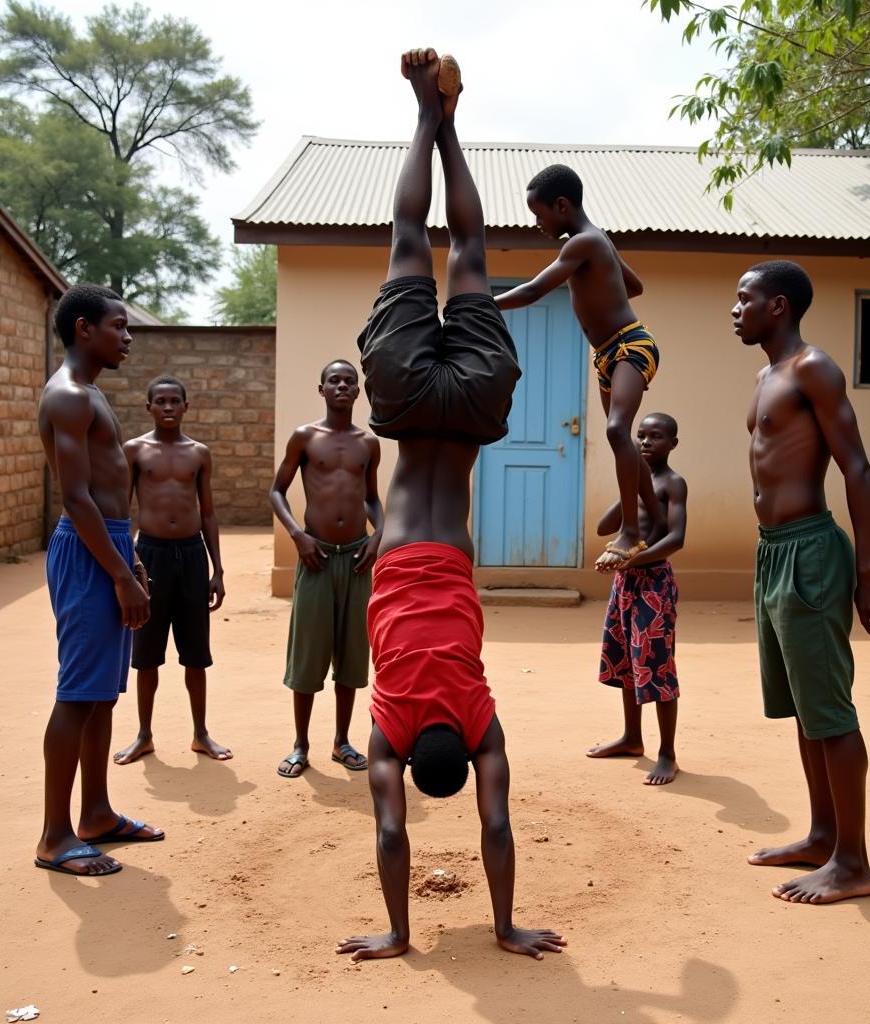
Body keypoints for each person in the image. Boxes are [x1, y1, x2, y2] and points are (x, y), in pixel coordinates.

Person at [335, 49, 564, 963]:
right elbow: (394, 834)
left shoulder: (477, 717)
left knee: (469, 252)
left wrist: (495, 926)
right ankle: (424, 114)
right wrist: (414, 929)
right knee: (408, 236)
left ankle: (448, 116)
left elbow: (492, 825)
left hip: (467, 417)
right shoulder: (388, 721)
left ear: (462, 757)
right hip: (402, 410)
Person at [733, 260, 870, 904]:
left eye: (744, 299)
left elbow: (856, 466)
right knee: (805, 706)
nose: (734, 309)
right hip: (773, 553)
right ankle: (823, 837)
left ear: (778, 306)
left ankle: (853, 864)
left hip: (811, 554)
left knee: (830, 710)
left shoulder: (812, 369)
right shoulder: (766, 376)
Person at [35, 283, 163, 877]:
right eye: (119, 326)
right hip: (87, 553)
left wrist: (128, 556)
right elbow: (76, 499)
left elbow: (107, 501)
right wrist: (118, 574)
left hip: (108, 545)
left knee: (102, 694)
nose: (128, 336)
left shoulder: (92, 395)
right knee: (77, 693)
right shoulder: (67, 398)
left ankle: (96, 813)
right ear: (84, 329)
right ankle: (55, 837)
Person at [494, 166, 662, 570]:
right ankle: (656, 518)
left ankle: (632, 532)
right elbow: (634, 287)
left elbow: (535, 290)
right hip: (606, 354)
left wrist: (481, 303)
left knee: (617, 430)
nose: (537, 224)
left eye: (540, 215)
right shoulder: (596, 241)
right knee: (622, 438)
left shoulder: (583, 242)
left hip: (630, 346)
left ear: (562, 206)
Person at [270, 359, 383, 777]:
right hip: (315, 558)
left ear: (358, 391)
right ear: (322, 390)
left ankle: (342, 741)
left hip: (355, 559)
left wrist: (378, 535)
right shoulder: (305, 437)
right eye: (333, 380)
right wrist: (298, 535)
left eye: (348, 381)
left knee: (353, 655)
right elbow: (277, 491)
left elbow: (371, 498)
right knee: (308, 655)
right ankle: (300, 744)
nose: (341, 386)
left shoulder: (368, 444)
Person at [113, 375, 230, 765]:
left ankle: (201, 734)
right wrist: (129, 562)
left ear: (185, 407)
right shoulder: (134, 450)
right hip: (150, 556)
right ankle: (144, 735)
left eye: (173, 401)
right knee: (146, 654)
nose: (167, 407)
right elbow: (120, 510)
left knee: (196, 653)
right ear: (148, 407)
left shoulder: (199, 453)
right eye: (159, 401)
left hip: (193, 557)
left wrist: (218, 569)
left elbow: (209, 513)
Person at [588, 413, 687, 785]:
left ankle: (667, 753)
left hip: (654, 583)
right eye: (641, 436)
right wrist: (628, 490)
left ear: (673, 443)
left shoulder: (674, 484)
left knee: (657, 664)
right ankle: (632, 738)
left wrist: (629, 558)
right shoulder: (635, 484)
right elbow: (604, 527)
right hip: (625, 582)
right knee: (627, 659)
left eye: (655, 436)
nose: (645, 443)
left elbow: (676, 538)